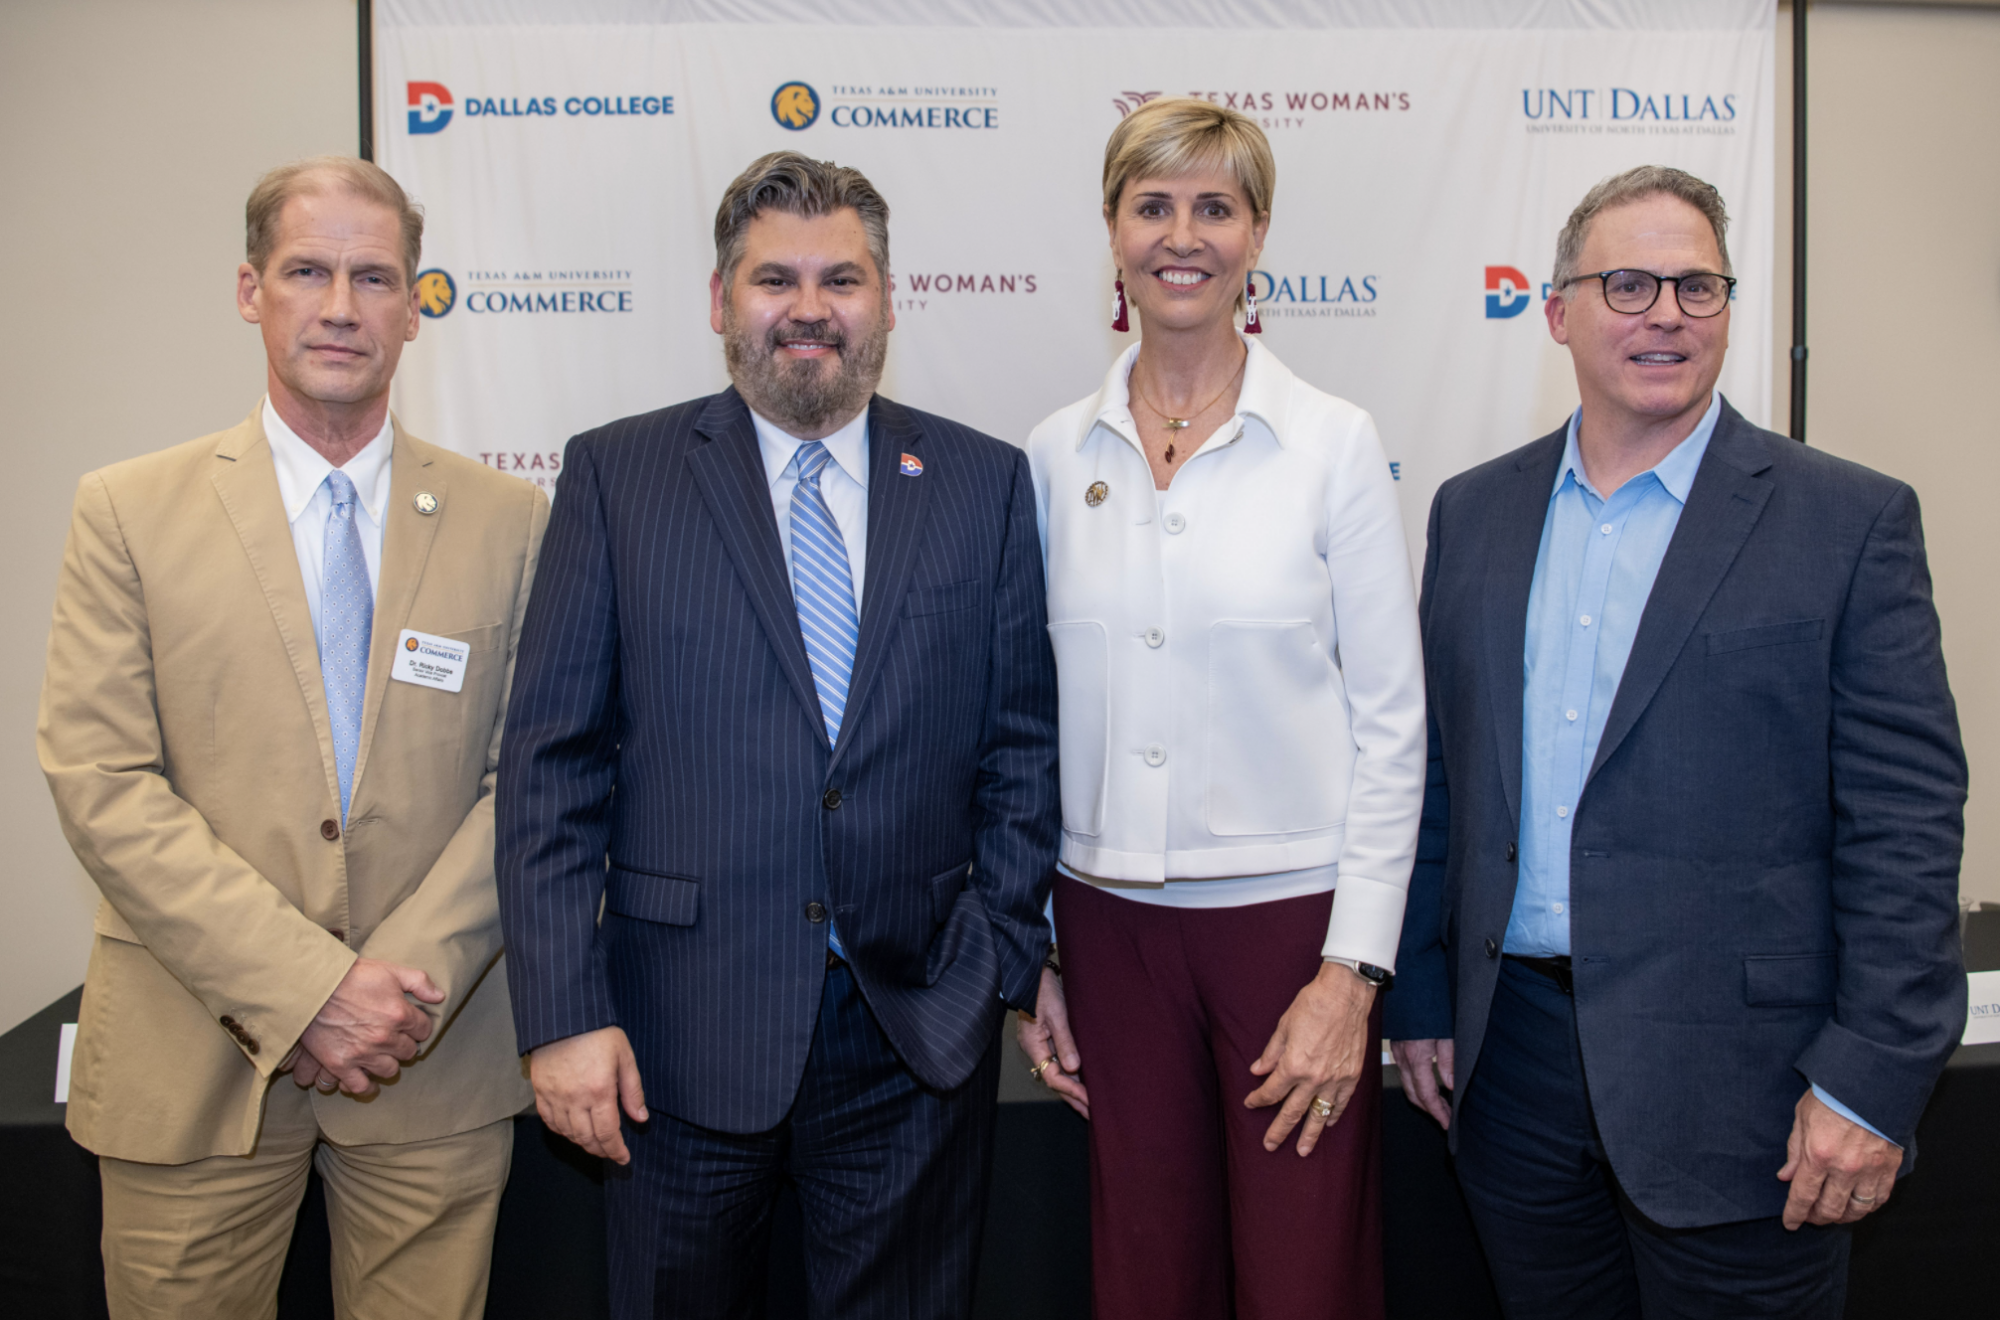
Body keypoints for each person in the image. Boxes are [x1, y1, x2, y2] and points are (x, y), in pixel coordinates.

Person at [1385, 165, 1968, 1317]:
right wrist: (1420, 1000)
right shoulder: (1473, 511)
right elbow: (1441, 779)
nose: (1664, 311)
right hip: (1512, 1076)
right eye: (1628, 282)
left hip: (1750, 1098)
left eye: (1696, 286)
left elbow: (1904, 831)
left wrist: (1867, 1085)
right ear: (1553, 311)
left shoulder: (1845, 522)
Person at [495, 151, 1061, 1320]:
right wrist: (561, 1017)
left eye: (841, 280)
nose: (808, 310)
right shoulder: (617, 476)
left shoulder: (981, 482)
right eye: (774, 280)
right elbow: (550, 772)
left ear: (888, 302)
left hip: (910, 1040)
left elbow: (1020, 751)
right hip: (670, 1048)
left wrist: (990, 961)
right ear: (719, 302)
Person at [37, 156, 549, 1319]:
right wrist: (308, 990)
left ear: (416, 305)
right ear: (248, 288)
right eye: (306, 271)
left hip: (430, 1049)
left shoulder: (510, 519)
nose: (338, 306)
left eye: (373, 277)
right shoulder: (127, 510)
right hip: (191, 1052)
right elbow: (103, 778)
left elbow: (525, 779)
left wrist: (389, 996)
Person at [1018, 98, 1426, 1319]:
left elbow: (1391, 726)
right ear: (1111, 233)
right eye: (1152, 207)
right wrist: (1034, 944)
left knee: (1303, 1281)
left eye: (1213, 207)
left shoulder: (1332, 445)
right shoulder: (1052, 453)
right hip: (1105, 932)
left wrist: (1351, 975)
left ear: (1255, 237)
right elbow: (1028, 723)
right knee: (1145, 1276)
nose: (1179, 235)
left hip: (1289, 937)